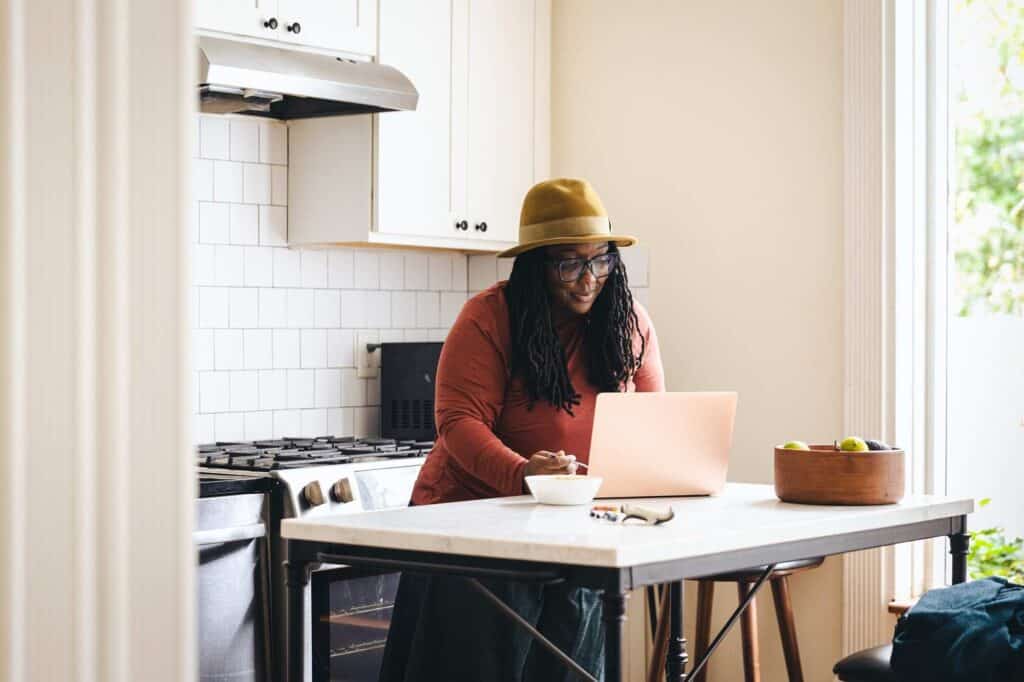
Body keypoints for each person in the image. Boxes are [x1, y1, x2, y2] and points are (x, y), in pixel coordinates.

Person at [379, 177, 665, 682]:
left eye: (600, 260)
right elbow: (458, 423)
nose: (588, 278)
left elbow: (653, 419)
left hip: (575, 528)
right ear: (537, 266)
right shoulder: (490, 317)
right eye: (569, 263)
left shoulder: (629, 322)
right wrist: (524, 475)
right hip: (472, 526)